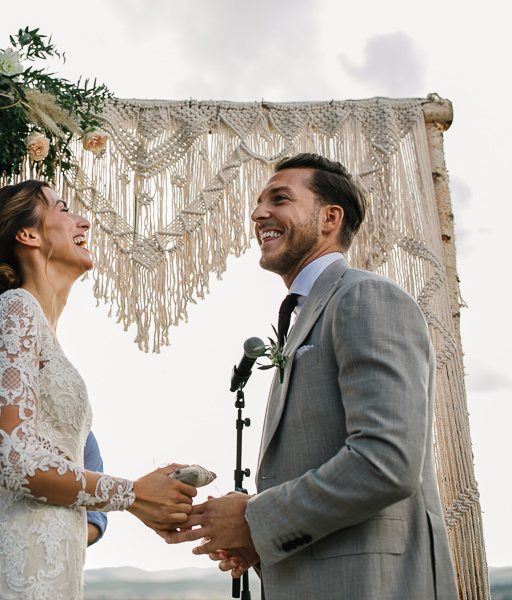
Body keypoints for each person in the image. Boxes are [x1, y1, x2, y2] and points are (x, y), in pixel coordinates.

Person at [165, 154, 459, 599]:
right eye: (259, 203)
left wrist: (253, 518)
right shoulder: (304, 315)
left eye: (280, 199)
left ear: (329, 218)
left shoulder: (366, 297)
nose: (259, 213)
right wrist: (260, 544)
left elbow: (387, 462)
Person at [0, 180, 197, 600]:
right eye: (63, 209)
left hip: (55, 564)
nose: (83, 220)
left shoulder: (41, 329)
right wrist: (132, 492)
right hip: (16, 565)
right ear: (28, 235)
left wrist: (141, 502)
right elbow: (15, 460)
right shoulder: (15, 309)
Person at [0, 421, 108, 546]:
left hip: (59, 569)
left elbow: (94, 521)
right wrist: (22, 532)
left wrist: (48, 538)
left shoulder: (83, 437)